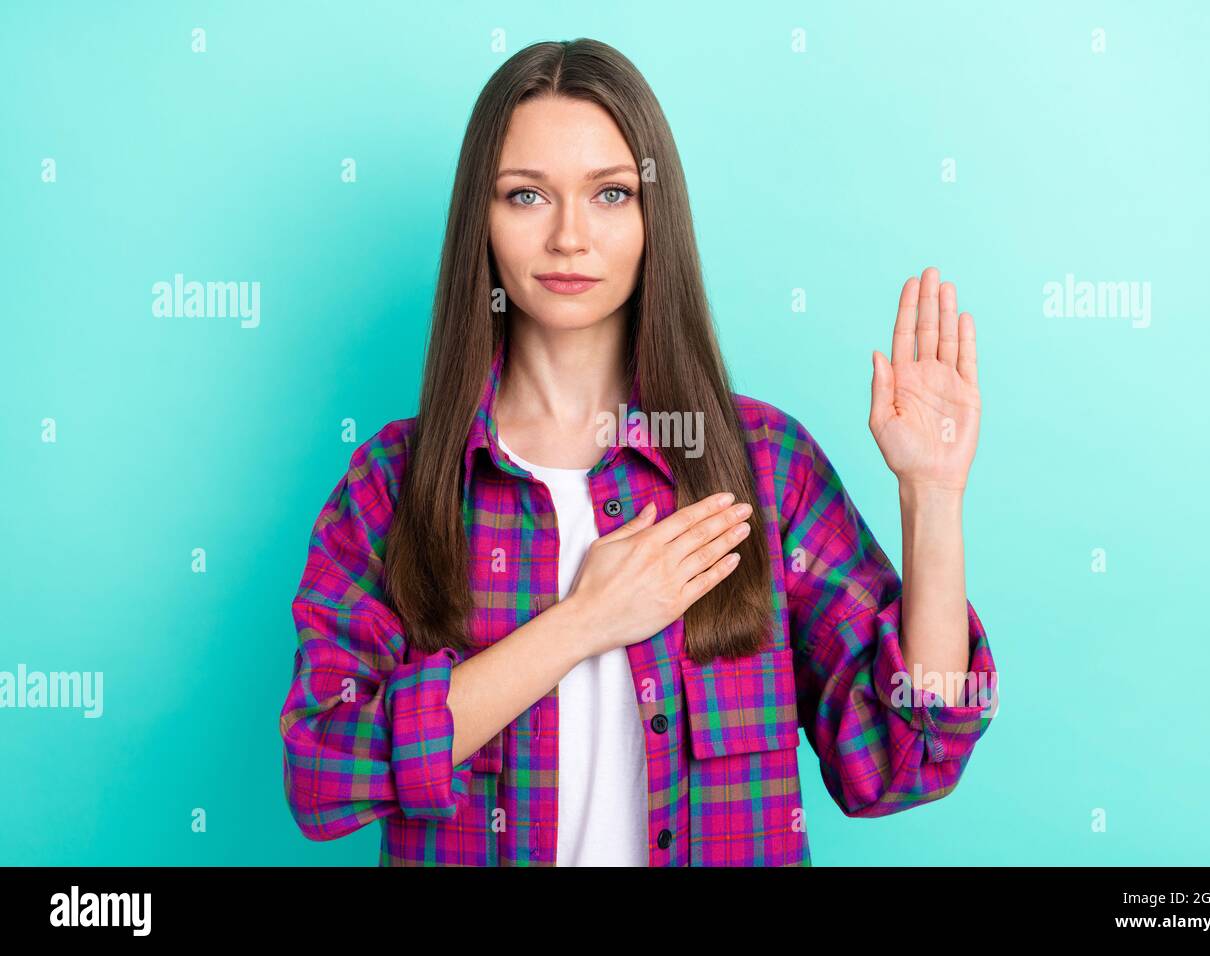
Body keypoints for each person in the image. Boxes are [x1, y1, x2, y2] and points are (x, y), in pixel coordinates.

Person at [279, 37, 998, 867]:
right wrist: (582, 623)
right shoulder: (392, 488)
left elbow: (903, 760)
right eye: (526, 196)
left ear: (657, 214)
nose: (570, 238)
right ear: (479, 216)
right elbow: (320, 773)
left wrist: (933, 499)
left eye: (611, 193)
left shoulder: (764, 465)